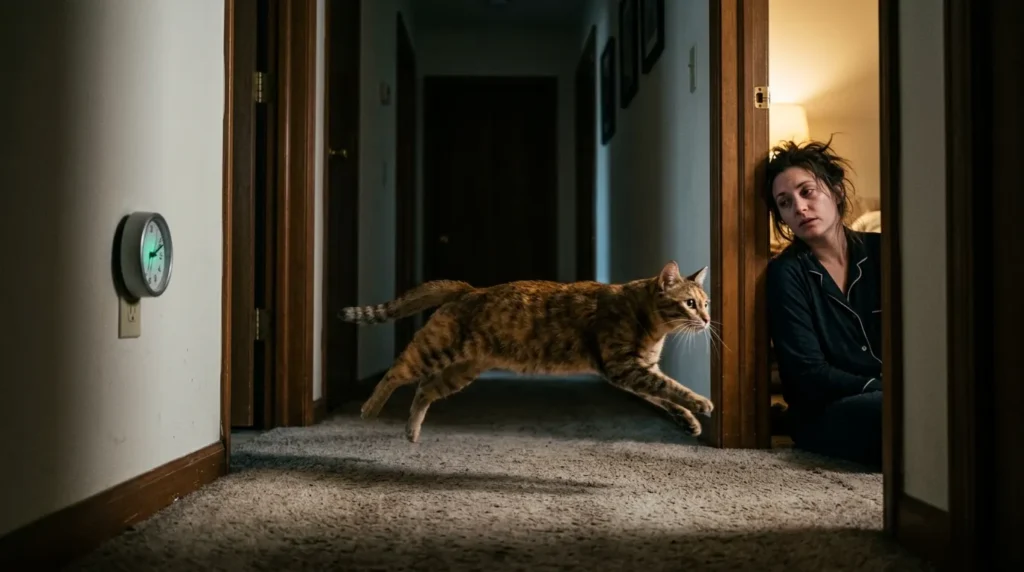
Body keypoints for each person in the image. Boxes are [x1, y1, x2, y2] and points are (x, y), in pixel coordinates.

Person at [763, 139, 883, 470]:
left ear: (837, 192)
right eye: (785, 203)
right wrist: (878, 387)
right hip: (828, 408)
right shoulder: (786, 273)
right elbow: (807, 374)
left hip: (896, 394)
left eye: (808, 192)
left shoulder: (884, 251)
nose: (799, 208)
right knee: (897, 417)